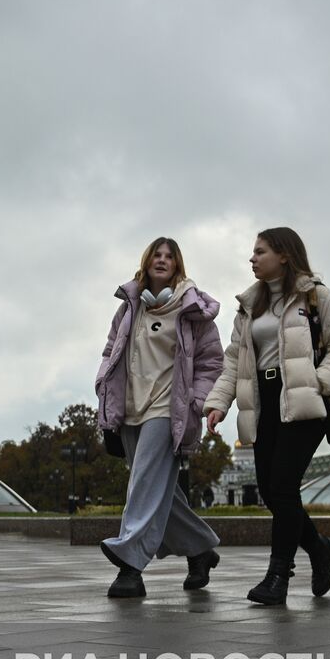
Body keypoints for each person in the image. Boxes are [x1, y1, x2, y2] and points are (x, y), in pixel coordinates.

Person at [204, 227, 330, 605]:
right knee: (273, 493)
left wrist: (316, 382)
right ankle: (320, 548)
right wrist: (218, 402)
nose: (252, 258)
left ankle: (278, 577)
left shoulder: (317, 297)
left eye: (260, 251)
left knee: (284, 487)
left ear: (284, 255)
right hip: (262, 401)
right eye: (253, 252)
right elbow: (232, 363)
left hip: (304, 402)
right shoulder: (249, 306)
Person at [95, 236, 225, 598]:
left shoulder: (192, 311)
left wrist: (197, 401)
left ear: (178, 265)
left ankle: (130, 564)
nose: (162, 260)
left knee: (143, 484)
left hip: (169, 408)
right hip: (130, 406)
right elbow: (111, 351)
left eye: (170, 256)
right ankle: (199, 549)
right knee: (155, 487)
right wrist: (103, 383)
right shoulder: (129, 308)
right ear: (147, 261)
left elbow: (212, 362)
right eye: (157, 254)